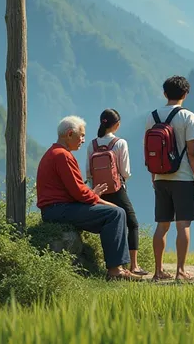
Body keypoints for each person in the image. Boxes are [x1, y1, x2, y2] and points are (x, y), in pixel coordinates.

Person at [36, 115, 142, 281]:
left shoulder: (54, 153)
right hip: (59, 209)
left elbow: (75, 189)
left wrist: (92, 195)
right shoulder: (63, 156)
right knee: (115, 213)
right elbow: (79, 193)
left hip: (55, 209)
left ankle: (116, 266)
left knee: (113, 213)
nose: (84, 140)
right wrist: (102, 200)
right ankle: (115, 270)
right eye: (82, 135)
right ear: (70, 134)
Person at [145, 76, 194, 282]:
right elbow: (193, 152)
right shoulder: (188, 116)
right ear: (185, 94)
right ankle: (180, 271)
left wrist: (154, 176)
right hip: (183, 177)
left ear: (164, 93)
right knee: (183, 225)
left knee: (162, 225)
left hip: (160, 177)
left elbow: (150, 151)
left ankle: (158, 271)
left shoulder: (152, 117)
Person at [86, 108, 148, 276]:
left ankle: (111, 263)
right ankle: (133, 265)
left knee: (109, 225)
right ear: (117, 125)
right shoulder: (120, 143)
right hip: (117, 189)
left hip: (99, 190)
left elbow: (88, 172)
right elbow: (125, 171)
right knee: (132, 223)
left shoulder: (92, 144)